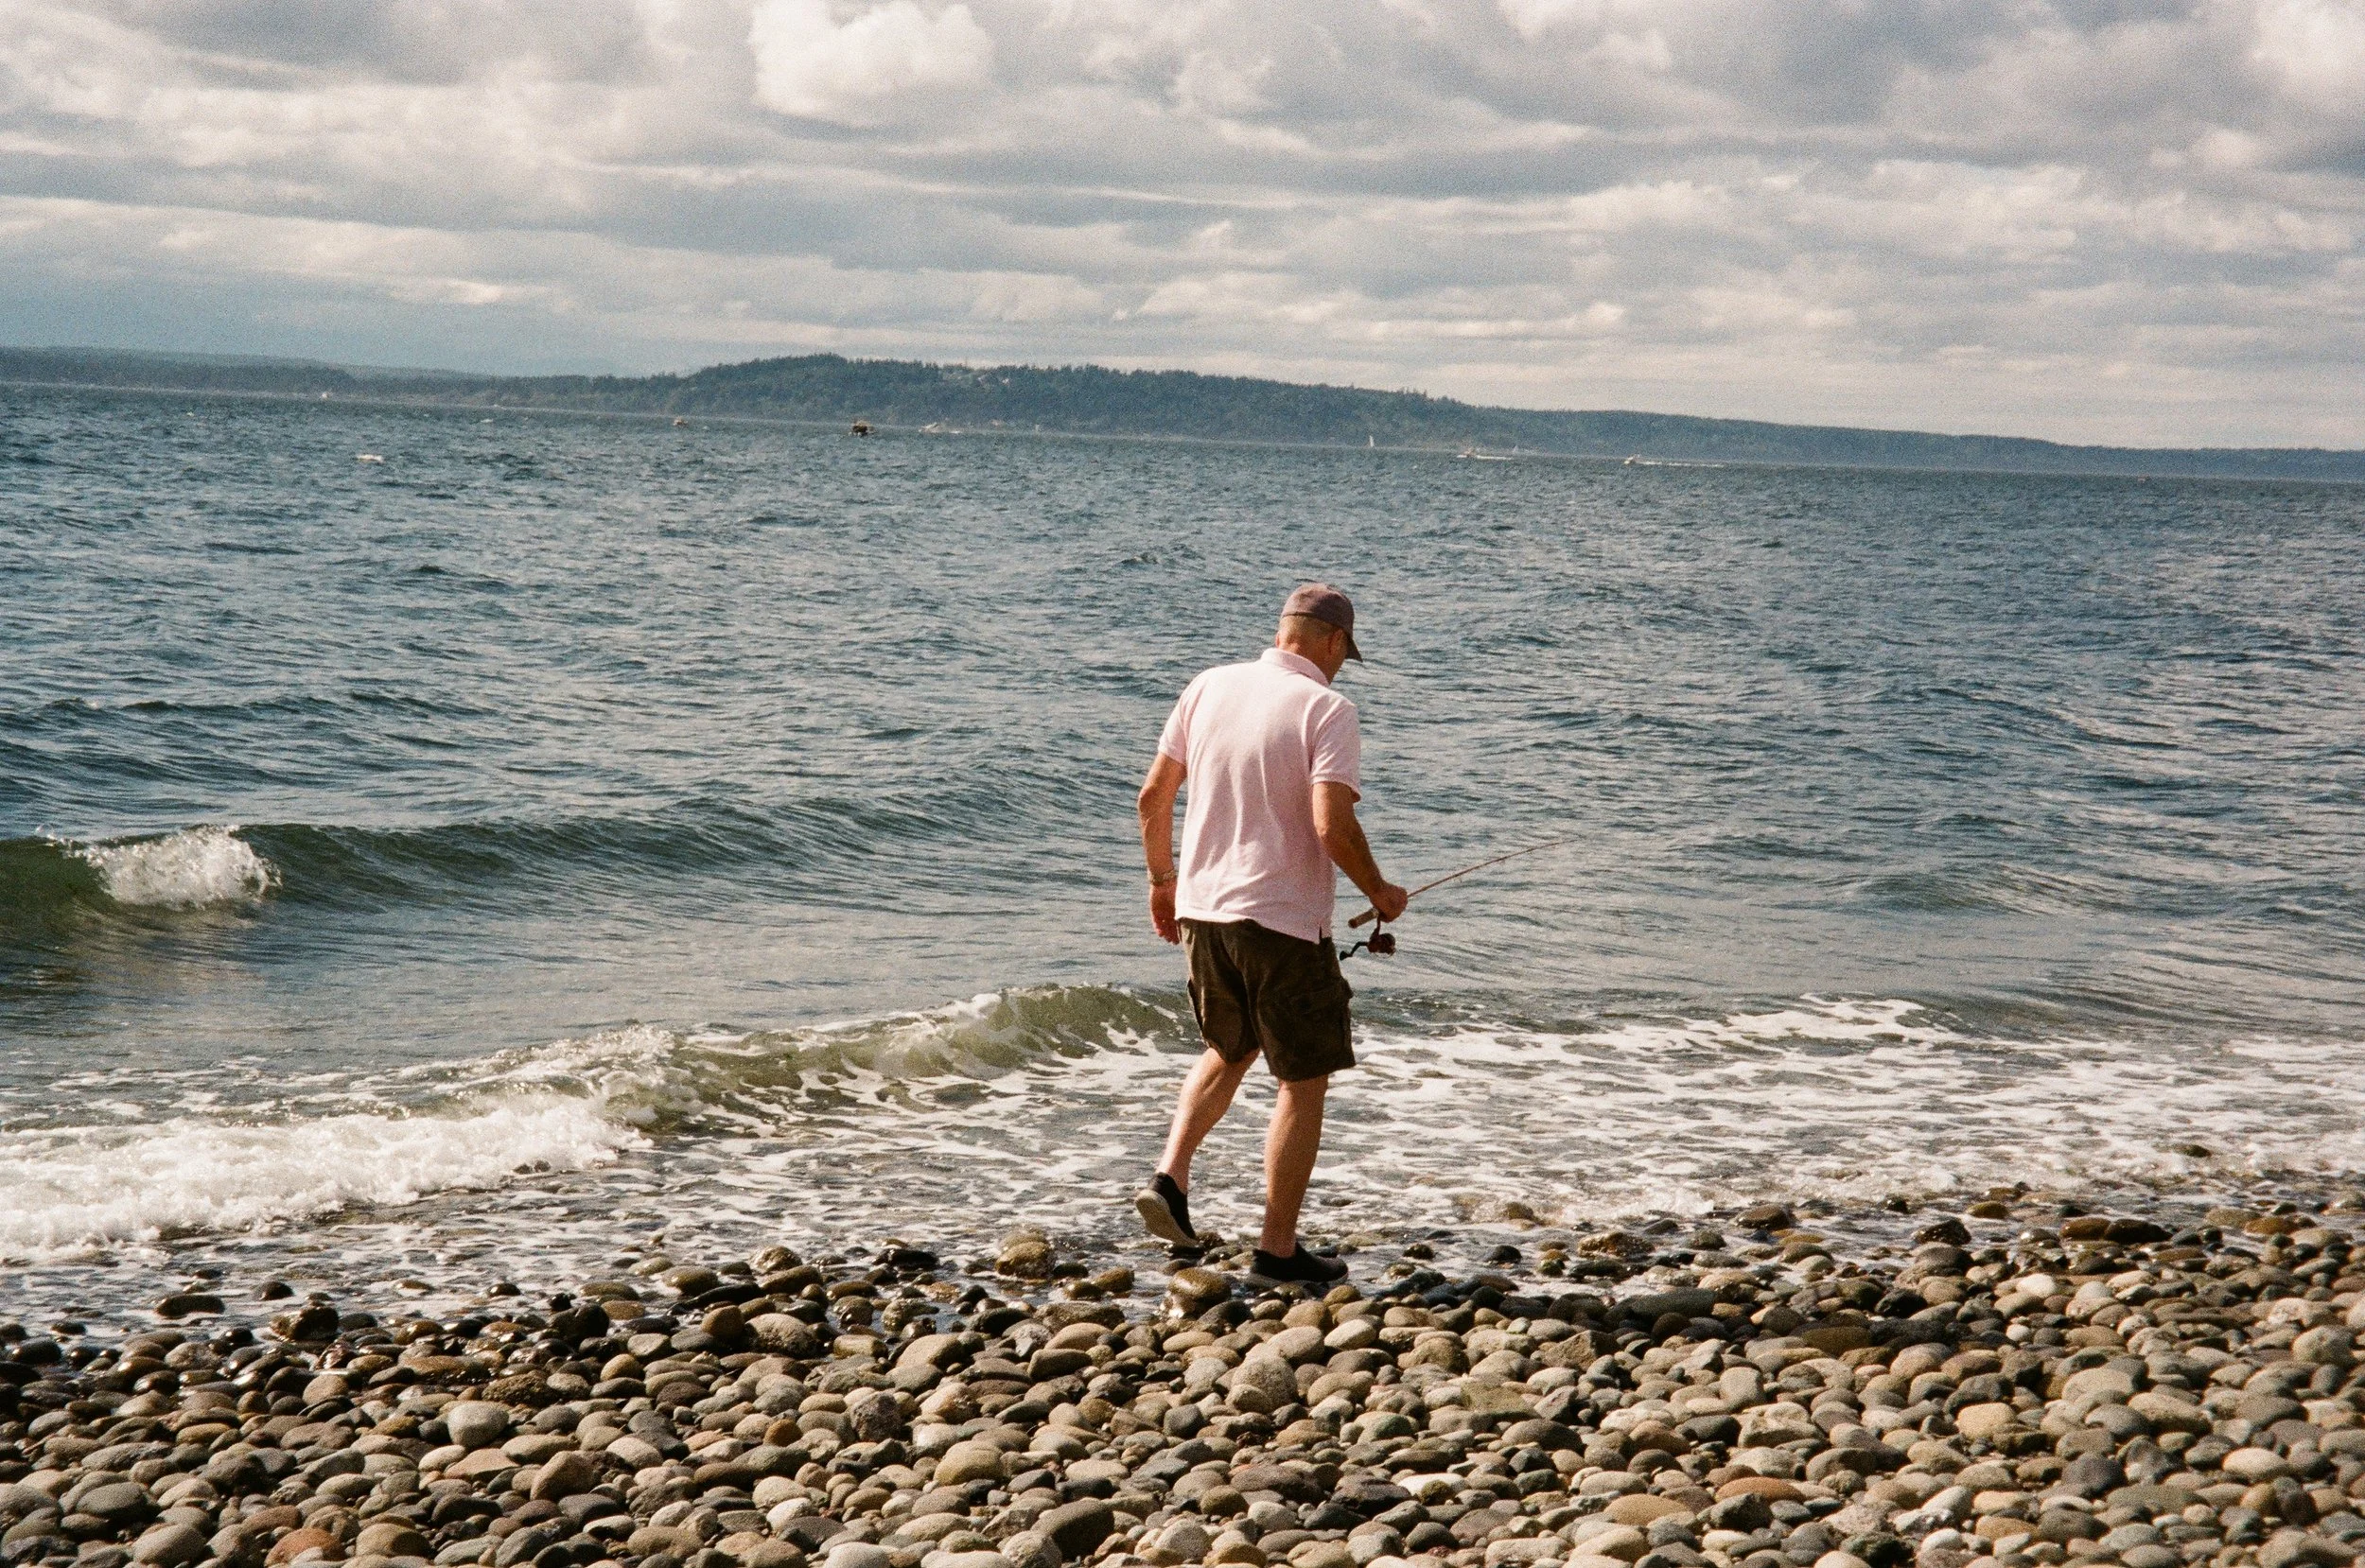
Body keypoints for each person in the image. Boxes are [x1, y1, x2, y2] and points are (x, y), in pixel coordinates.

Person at [1132, 583, 1410, 1287]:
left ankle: (1170, 1177)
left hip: (1202, 910)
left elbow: (1152, 797)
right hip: (1281, 923)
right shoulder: (1327, 708)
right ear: (1331, 642)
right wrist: (1379, 891)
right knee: (1303, 1080)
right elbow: (1330, 825)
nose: (1343, 663)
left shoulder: (1208, 686)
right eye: (1345, 650)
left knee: (1229, 1046)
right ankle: (1277, 1252)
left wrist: (1163, 884)